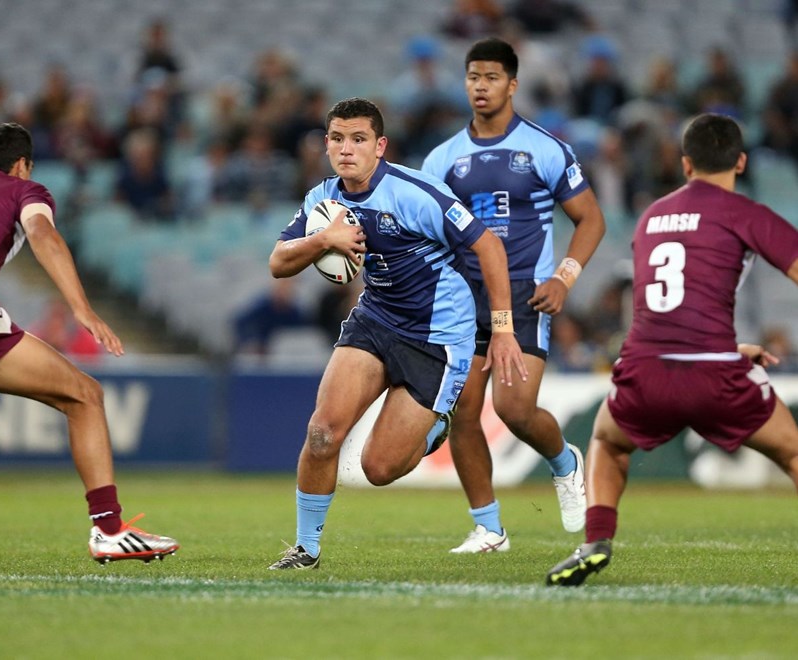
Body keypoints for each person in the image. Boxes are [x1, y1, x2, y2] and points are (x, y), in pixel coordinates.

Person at [267, 97, 526, 569]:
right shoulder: (324, 200)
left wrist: (503, 330)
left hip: (437, 336)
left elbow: (488, 246)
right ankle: (306, 548)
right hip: (376, 319)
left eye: (359, 139)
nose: (347, 149)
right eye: (338, 139)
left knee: (378, 468)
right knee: (322, 433)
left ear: (380, 146)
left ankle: (435, 429)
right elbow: (279, 262)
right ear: (326, 144)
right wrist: (323, 239)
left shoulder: (414, 193)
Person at [546, 113, 798, 586]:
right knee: (793, 452)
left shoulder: (652, 217)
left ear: (685, 164)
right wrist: (724, 350)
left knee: (607, 442)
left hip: (646, 368)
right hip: (713, 372)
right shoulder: (745, 213)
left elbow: (665, 305)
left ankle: (596, 542)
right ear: (741, 162)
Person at [0, 123, 178, 564]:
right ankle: (109, 529)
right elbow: (42, 234)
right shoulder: (23, 189)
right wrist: (82, 308)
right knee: (84, 395)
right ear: (22, 165)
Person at [421, 37, 606, 553]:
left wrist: (564, 277)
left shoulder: (545, 149)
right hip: (465, 296)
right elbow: (427, 230)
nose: (481, 86)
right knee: (462, 411)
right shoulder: (441, 159)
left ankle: (565, 462)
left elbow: (591, 219)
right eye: (473, 77)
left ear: (513, 84)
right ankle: (489, 528)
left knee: (514, 409)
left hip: (525, 292)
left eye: (492, 77)